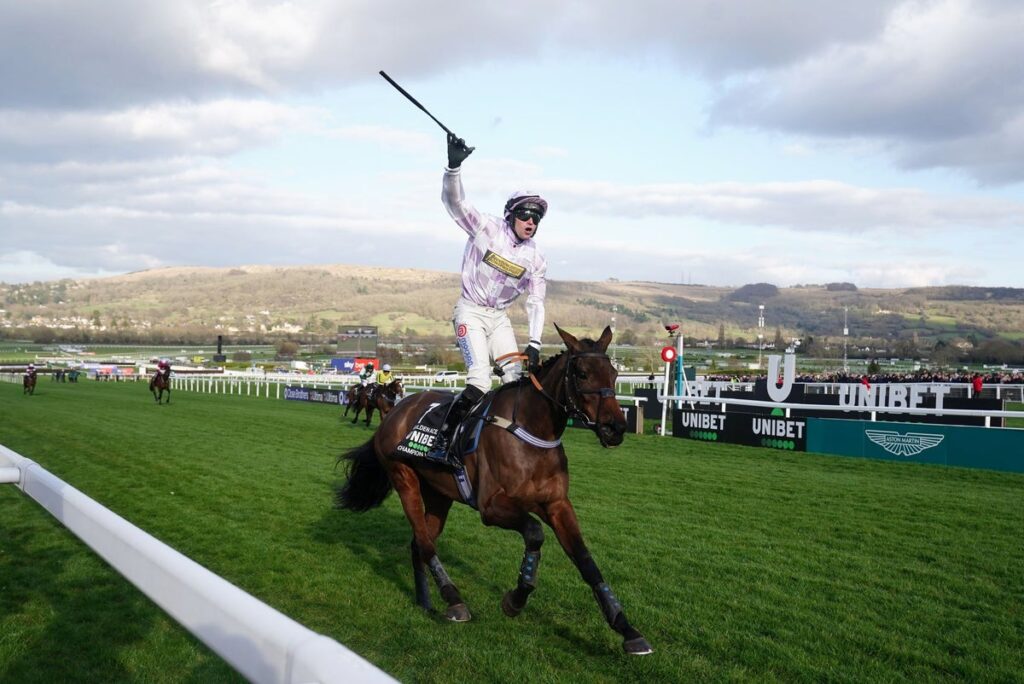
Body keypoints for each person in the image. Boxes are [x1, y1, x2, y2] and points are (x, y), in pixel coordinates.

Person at [427, 133, 548, 464]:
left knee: (515, 380)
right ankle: (442, 441)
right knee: (480, 379)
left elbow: (536, 302)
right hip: (470, 313)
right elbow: (455, 204)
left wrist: (534, 343)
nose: (531, 221)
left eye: (537, 217)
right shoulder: (486, 228)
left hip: (499, 319)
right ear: (511, 214)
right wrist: (453, 168)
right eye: (525, 214)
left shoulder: (536, 258)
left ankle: (510, 448)